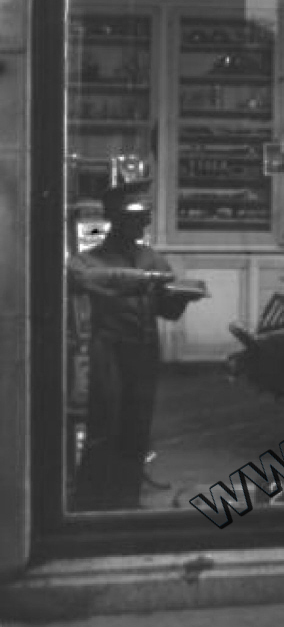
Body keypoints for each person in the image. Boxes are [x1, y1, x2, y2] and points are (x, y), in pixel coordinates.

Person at [68, 181, 198, 509]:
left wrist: (182, 297)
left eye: (144, 217)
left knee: (137, 427)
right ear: (115, 218)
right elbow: (88, 281)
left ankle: (126, 500)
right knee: (104, 425)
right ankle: (89, 502)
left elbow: (167, 311)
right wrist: (144, 282)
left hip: (144, 348)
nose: (142, 224)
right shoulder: (89, 260)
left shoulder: (153, 259)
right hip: (109, 349)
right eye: (135, 217)